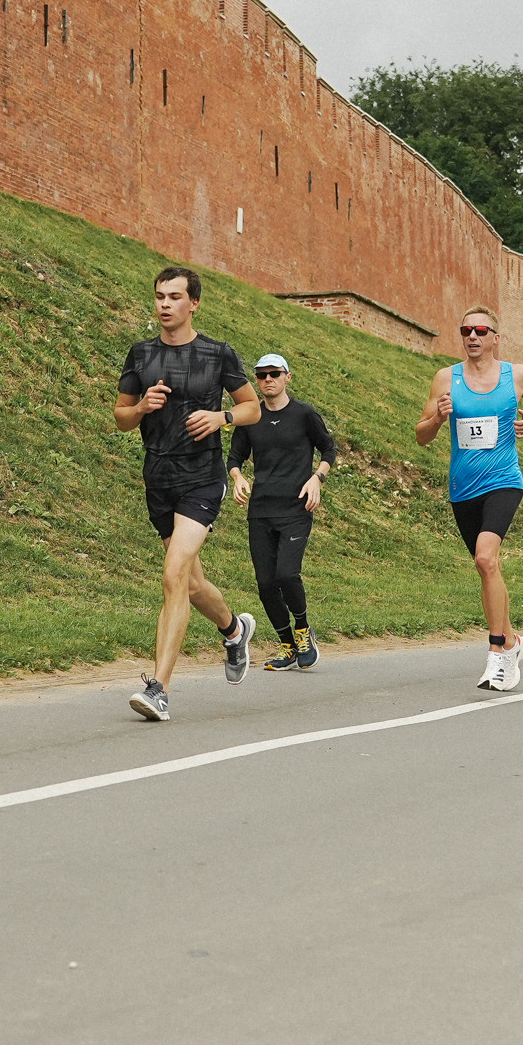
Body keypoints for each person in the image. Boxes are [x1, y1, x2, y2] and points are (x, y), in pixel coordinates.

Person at [113, 266, 261, 722]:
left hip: (202, 478)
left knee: (174, 573)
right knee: (191, 584)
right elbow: (120, 417)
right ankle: (234, 630)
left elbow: (252, 407)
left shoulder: (218, 353)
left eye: (175, 297)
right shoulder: (141, 354)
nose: (165, 304)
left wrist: (221, 418)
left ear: (193, 303)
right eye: (160, 296)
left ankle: (158, 689)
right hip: (159, 479)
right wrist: (142, 407)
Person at [416, 305, 523, 691]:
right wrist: (438, 418)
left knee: (485, 558)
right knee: (486, 568)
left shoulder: (516, 375)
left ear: (495, 338)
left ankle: (498, 655)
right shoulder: (446, 378)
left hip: (504, 480)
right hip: (463, 487)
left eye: (480, 330)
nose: (472, 337)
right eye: (466, 331)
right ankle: (512, 640)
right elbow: (421, 435)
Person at [228, 352, 338, 671]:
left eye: (274, 373)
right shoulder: (251, 417)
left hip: (296, 508)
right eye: (261, 375)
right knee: (265, 584)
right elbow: (234, 457)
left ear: (287, 377)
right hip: (261, 510)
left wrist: (317, 479)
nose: (268, 379)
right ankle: (287, 645)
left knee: (287, 574)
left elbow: (328, 448)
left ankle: (303, 631)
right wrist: (238, 478)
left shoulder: (304, 414)